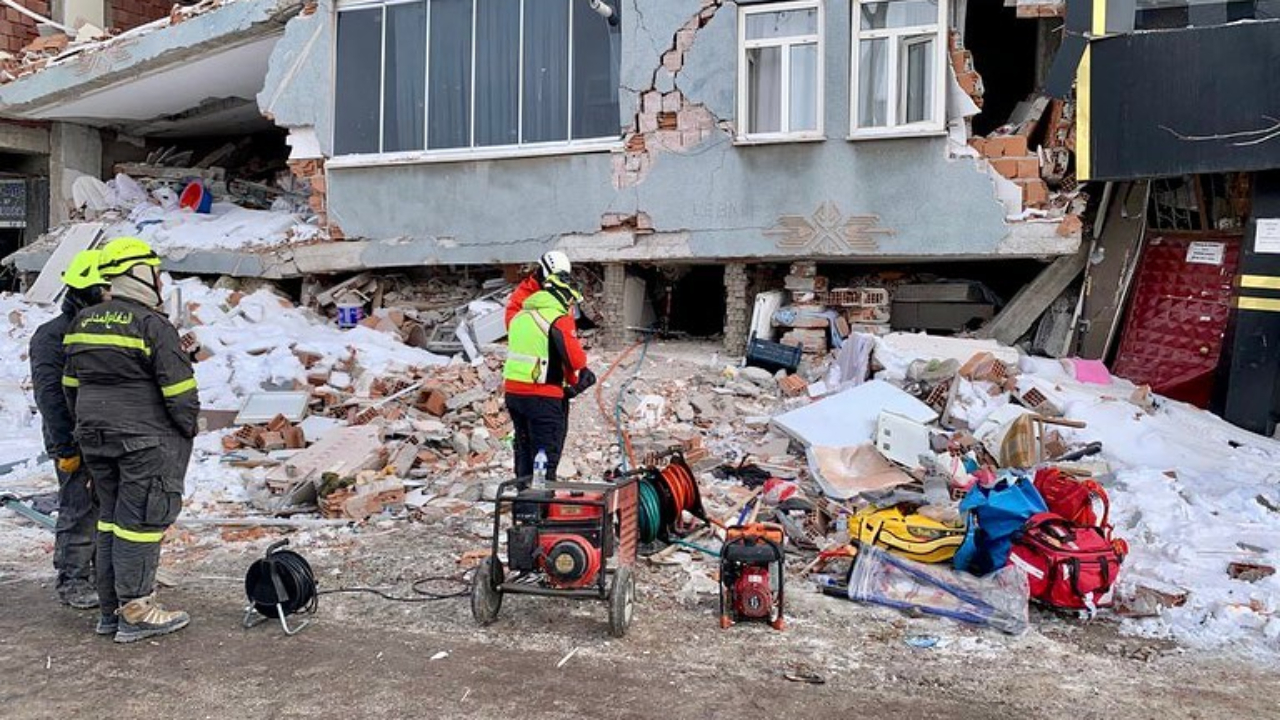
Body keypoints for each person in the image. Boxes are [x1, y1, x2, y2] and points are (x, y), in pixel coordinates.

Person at [62, 237, 199, 643]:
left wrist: (89, 427)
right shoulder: (151, 324)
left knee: (111, 521)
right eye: (154, 271)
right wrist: (185, 430)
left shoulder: (83, 322)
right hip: (144, 442)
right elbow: (180, 393)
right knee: (139, 524)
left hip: (96, 438)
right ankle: (137, 612)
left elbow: (71, 386)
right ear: (140, 273)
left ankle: (111, 611)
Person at [30, 250, 110, 609]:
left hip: (105, 435)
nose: (110, 295)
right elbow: (50, 397)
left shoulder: (101, 329)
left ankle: (97, 572)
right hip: (73, 439)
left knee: (103, 507)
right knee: (78, 507)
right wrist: (66, 447)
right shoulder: (52, 336)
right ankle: (72, 580)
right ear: (86, 291)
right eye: (104, 288)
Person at [503, 272, 595, 483]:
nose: (572, 308)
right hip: (544, 398)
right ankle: (539, 510)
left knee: (524, 451)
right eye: (572, 302)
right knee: (545, 457)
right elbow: (577, 360)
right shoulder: (558, 319)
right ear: (565, 297)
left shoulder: (519, 317)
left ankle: (523, 505)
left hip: (514, 396)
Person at [505, 250, 572, 328]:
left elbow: (567, 323)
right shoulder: (524, 293)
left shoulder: (562, 293)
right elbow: (511, 323)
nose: (557, 284)